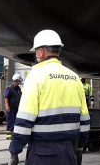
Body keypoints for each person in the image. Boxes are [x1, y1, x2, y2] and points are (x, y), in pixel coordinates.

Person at [9, 29, 90, 165]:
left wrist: (14, 151)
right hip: (69, 152)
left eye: (35, 51)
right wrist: (80, 147)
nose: (35, 55)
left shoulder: (36, 76)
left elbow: (25, 119)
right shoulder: (74, 77)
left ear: (41, 52)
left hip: (42, 153)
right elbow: (85, 119)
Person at [4, 73, 23, 140]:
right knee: (10, 121)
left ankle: (14, 134)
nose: (19, 82)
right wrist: (7, 106)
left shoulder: (18, 89)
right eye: (18, 81)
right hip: (11, 108)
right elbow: (6, 97)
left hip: (16, 108)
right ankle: (9, 135)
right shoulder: (9, 88)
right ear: (16, 80)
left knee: (15, 120)